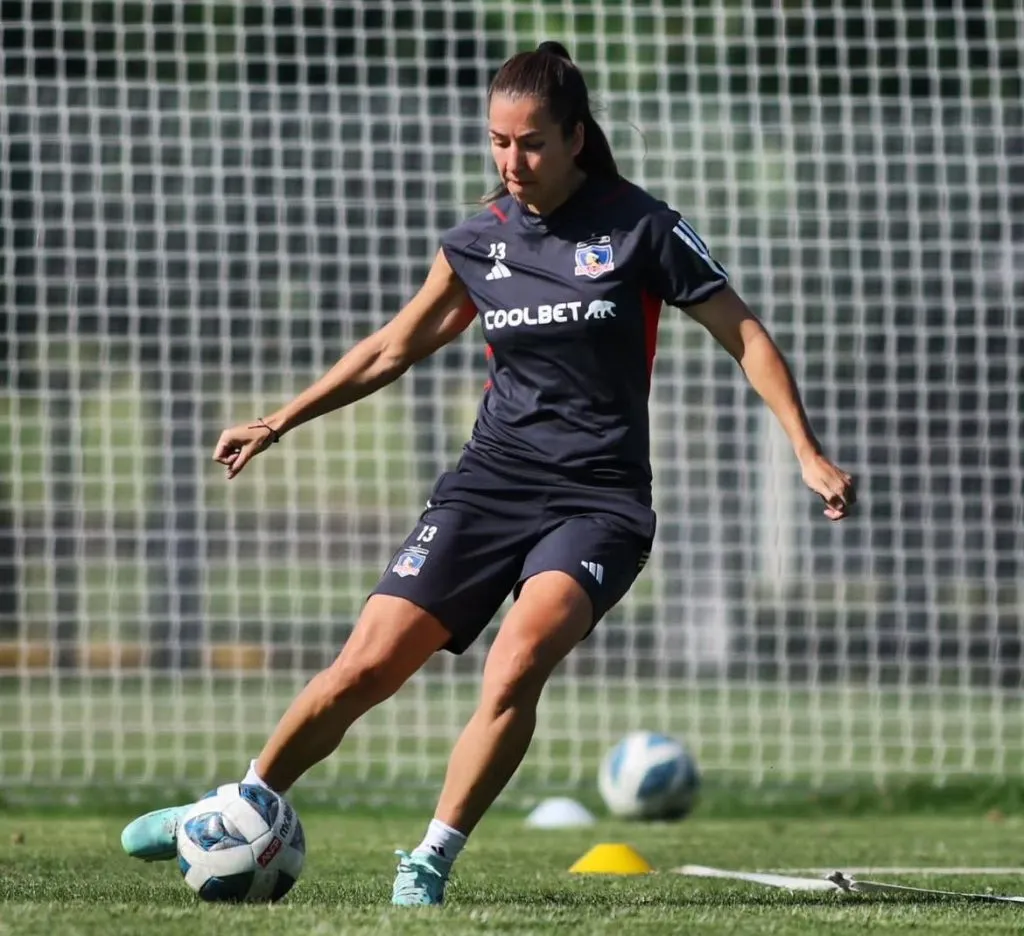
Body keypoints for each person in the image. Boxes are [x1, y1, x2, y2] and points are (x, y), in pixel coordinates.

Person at [120, 41, 855, 906]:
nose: (512, 162)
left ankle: (428, 859)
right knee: (367, 665)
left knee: (514, 664)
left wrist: (805, 450)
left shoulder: (642, 226)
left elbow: (745, 335)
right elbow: (394, 347)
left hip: (599, 503)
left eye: (531, 142)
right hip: (488, 486)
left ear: (576, 137)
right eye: (499, 142)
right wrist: (279, 420)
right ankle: (239, 803)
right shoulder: (478, 242)